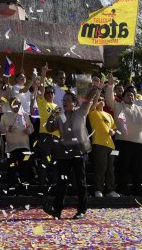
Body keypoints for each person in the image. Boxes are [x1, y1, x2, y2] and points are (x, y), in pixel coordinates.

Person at [42, 87, 99, 220]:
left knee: (80, 182)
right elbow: (49, 128)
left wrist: (95, 87)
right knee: (62, 182)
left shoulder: (81, 111)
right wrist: (53, 115)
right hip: (64, 153)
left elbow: (89, 98)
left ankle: (82, 210)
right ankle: (57, 210)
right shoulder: (61, 116)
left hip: (79, 152)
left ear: (75, 103)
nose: (65, 102)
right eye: (64, 100)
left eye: (68, 100)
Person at [104, 75, 142, 196]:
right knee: (123, 168)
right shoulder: (118, 106)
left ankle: (137, 189)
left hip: (139, 144)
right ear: (123, 97)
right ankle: (122, 189)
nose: (130, 96)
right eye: (127, 95)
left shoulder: (141, 108)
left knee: (137, 169)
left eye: (132, 95)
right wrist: (110, 85)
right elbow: (108, 98)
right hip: (123, 142)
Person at [0, 97, 34, 191]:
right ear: (10, 105)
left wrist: (29, 130)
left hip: (25, 147)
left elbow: (31, 127)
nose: (17, 105)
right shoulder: (5, 116)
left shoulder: (25, 115)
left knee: (25, 169)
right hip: (11, 148)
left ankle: (24, 190)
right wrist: (7, 129)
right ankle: (12, 189)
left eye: (18, 103)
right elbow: (0, 129)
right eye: (15, 103)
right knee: (12, 169)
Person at [88, 94, 119, 197]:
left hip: (110, 145)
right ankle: (98, 189)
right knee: (100, 167)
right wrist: (97, 93)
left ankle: (110, 190)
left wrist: (112, 132)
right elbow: (93, 105)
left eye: (102, 99)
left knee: (110, 168)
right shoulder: (92, 112)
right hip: (98, 143)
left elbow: (114, 129)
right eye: (99, 100)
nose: (101, 101)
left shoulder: (109, 115)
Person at [35, 65, 60, 186]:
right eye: (48, 92)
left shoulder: (58, 108)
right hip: (45, 136)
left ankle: (55, 184)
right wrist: (43, 74)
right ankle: (41, 185)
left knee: (55, 163)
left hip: (57, 137)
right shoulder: (41, 102)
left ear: (54, 95)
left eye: (52, 93)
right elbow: (41, 88)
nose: (49, 94)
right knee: (44, 161)